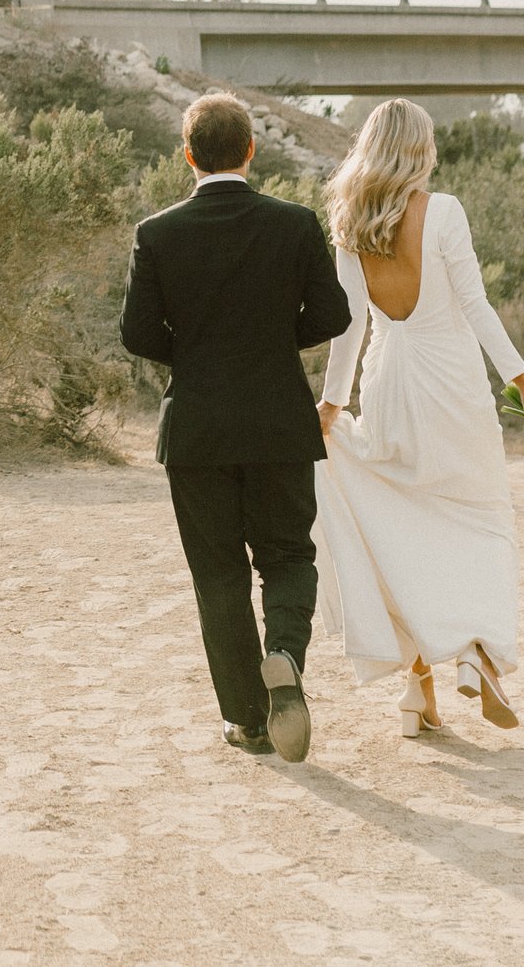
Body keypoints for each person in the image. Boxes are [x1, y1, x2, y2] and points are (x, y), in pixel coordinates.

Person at [313, 98, 524, 736]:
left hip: (388, 383)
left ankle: (417, 691)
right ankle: (476, 654)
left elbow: (347, 330)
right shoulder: (443, 211)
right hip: (451, 387)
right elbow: (477, 309)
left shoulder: (347, 221)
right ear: (419, 150)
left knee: (405, 526)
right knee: (483, 522)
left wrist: (332, 404)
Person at [120, 92, 351, 761]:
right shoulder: (296, 223)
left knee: (218, 573)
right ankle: (283, 652)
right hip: (280, 420)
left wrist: (196, 357)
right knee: (287, 555)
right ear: (251, 151)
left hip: (197, 429)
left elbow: (137, 333)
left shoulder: (156, 233)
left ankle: (249, 721)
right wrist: (276, 345)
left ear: (188, 155)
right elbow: (332, 316)